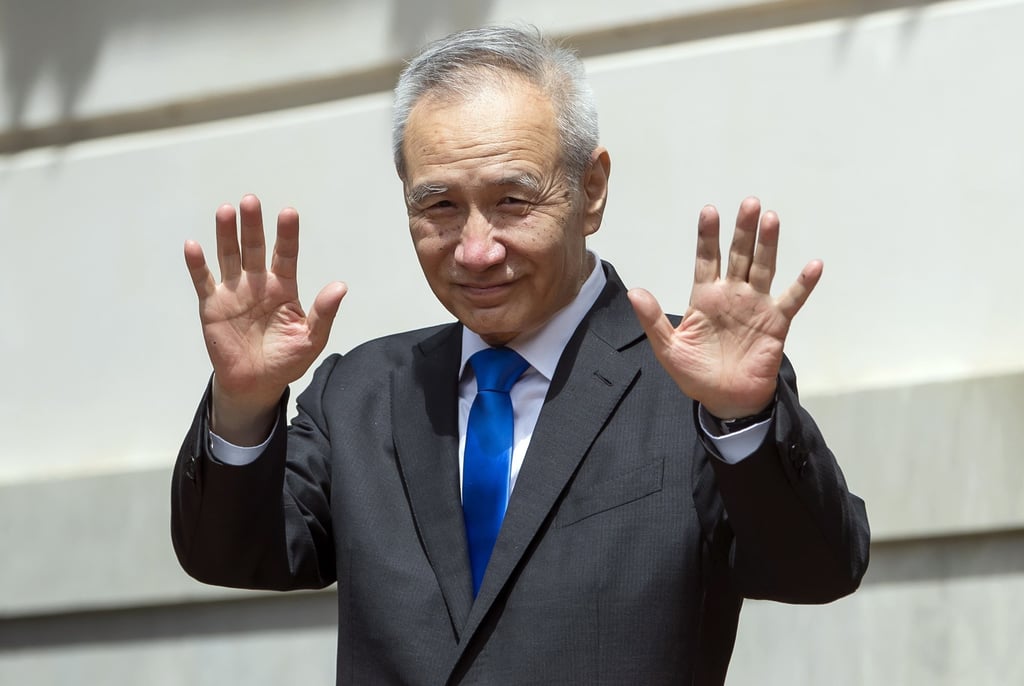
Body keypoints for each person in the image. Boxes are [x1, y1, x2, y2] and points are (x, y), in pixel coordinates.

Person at [172, 26, 869, 685]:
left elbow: (814, 570)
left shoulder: (694, 383)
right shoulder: (362, 394)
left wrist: (741, 419)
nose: (476, 249)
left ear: (590, 190)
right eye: (440, 206)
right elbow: (230, 552)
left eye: (512, 200)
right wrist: (242, 402)